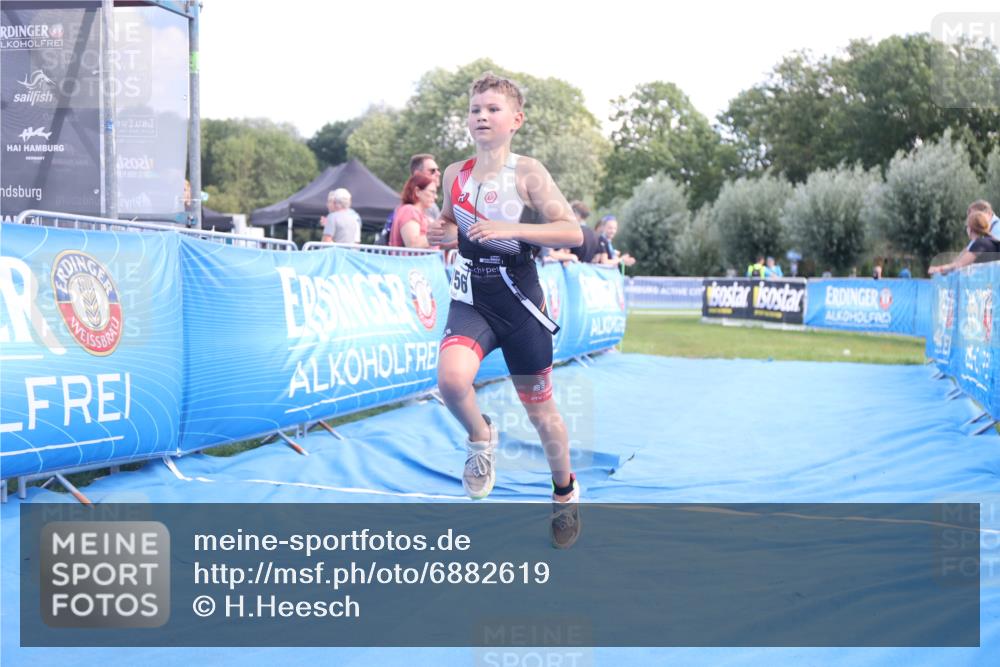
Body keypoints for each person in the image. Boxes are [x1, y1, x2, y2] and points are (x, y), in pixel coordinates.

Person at [426, 72, 584, 548]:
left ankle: (564, 492)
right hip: (472, 299)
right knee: (451, 380)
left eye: (493, 109)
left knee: (542, 415)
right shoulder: (455, 174)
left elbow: (571, 232)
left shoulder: (528, 172)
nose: (481, 116)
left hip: (520, 305)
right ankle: (480, 437)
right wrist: (444, 234)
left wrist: (513, 231)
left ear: (516, 120)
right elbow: (455, 226)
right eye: (475, 109)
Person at [928, 210, 1000, 275]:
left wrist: (937, 269)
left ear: (970, 229)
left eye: (967, 226)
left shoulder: (980, 244)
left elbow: (959, 265)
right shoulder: (992, 241)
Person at [389, 173, 438, 249]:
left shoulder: (418, 214)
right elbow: (413, 244)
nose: (436, 197)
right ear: (417, 191)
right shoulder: (409, 211)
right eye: (432, 192)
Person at [410, 153, 442, 220]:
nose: (438, 174)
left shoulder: (430, 204)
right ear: (417, 174)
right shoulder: (411, 206)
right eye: (432, 171)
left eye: (438, 170)